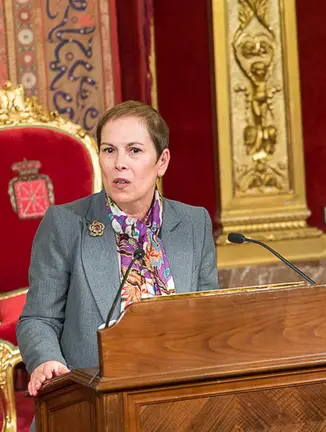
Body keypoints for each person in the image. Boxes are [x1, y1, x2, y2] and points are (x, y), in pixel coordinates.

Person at [17, 101, 220, 402]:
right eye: (109, 150)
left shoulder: (193, 223)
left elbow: (210, 314)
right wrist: (46, 360)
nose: (118, 163)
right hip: (93, 399)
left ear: (162, 161)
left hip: (179, 394)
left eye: (134, 150)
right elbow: (38, 319)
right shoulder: (66, 223)